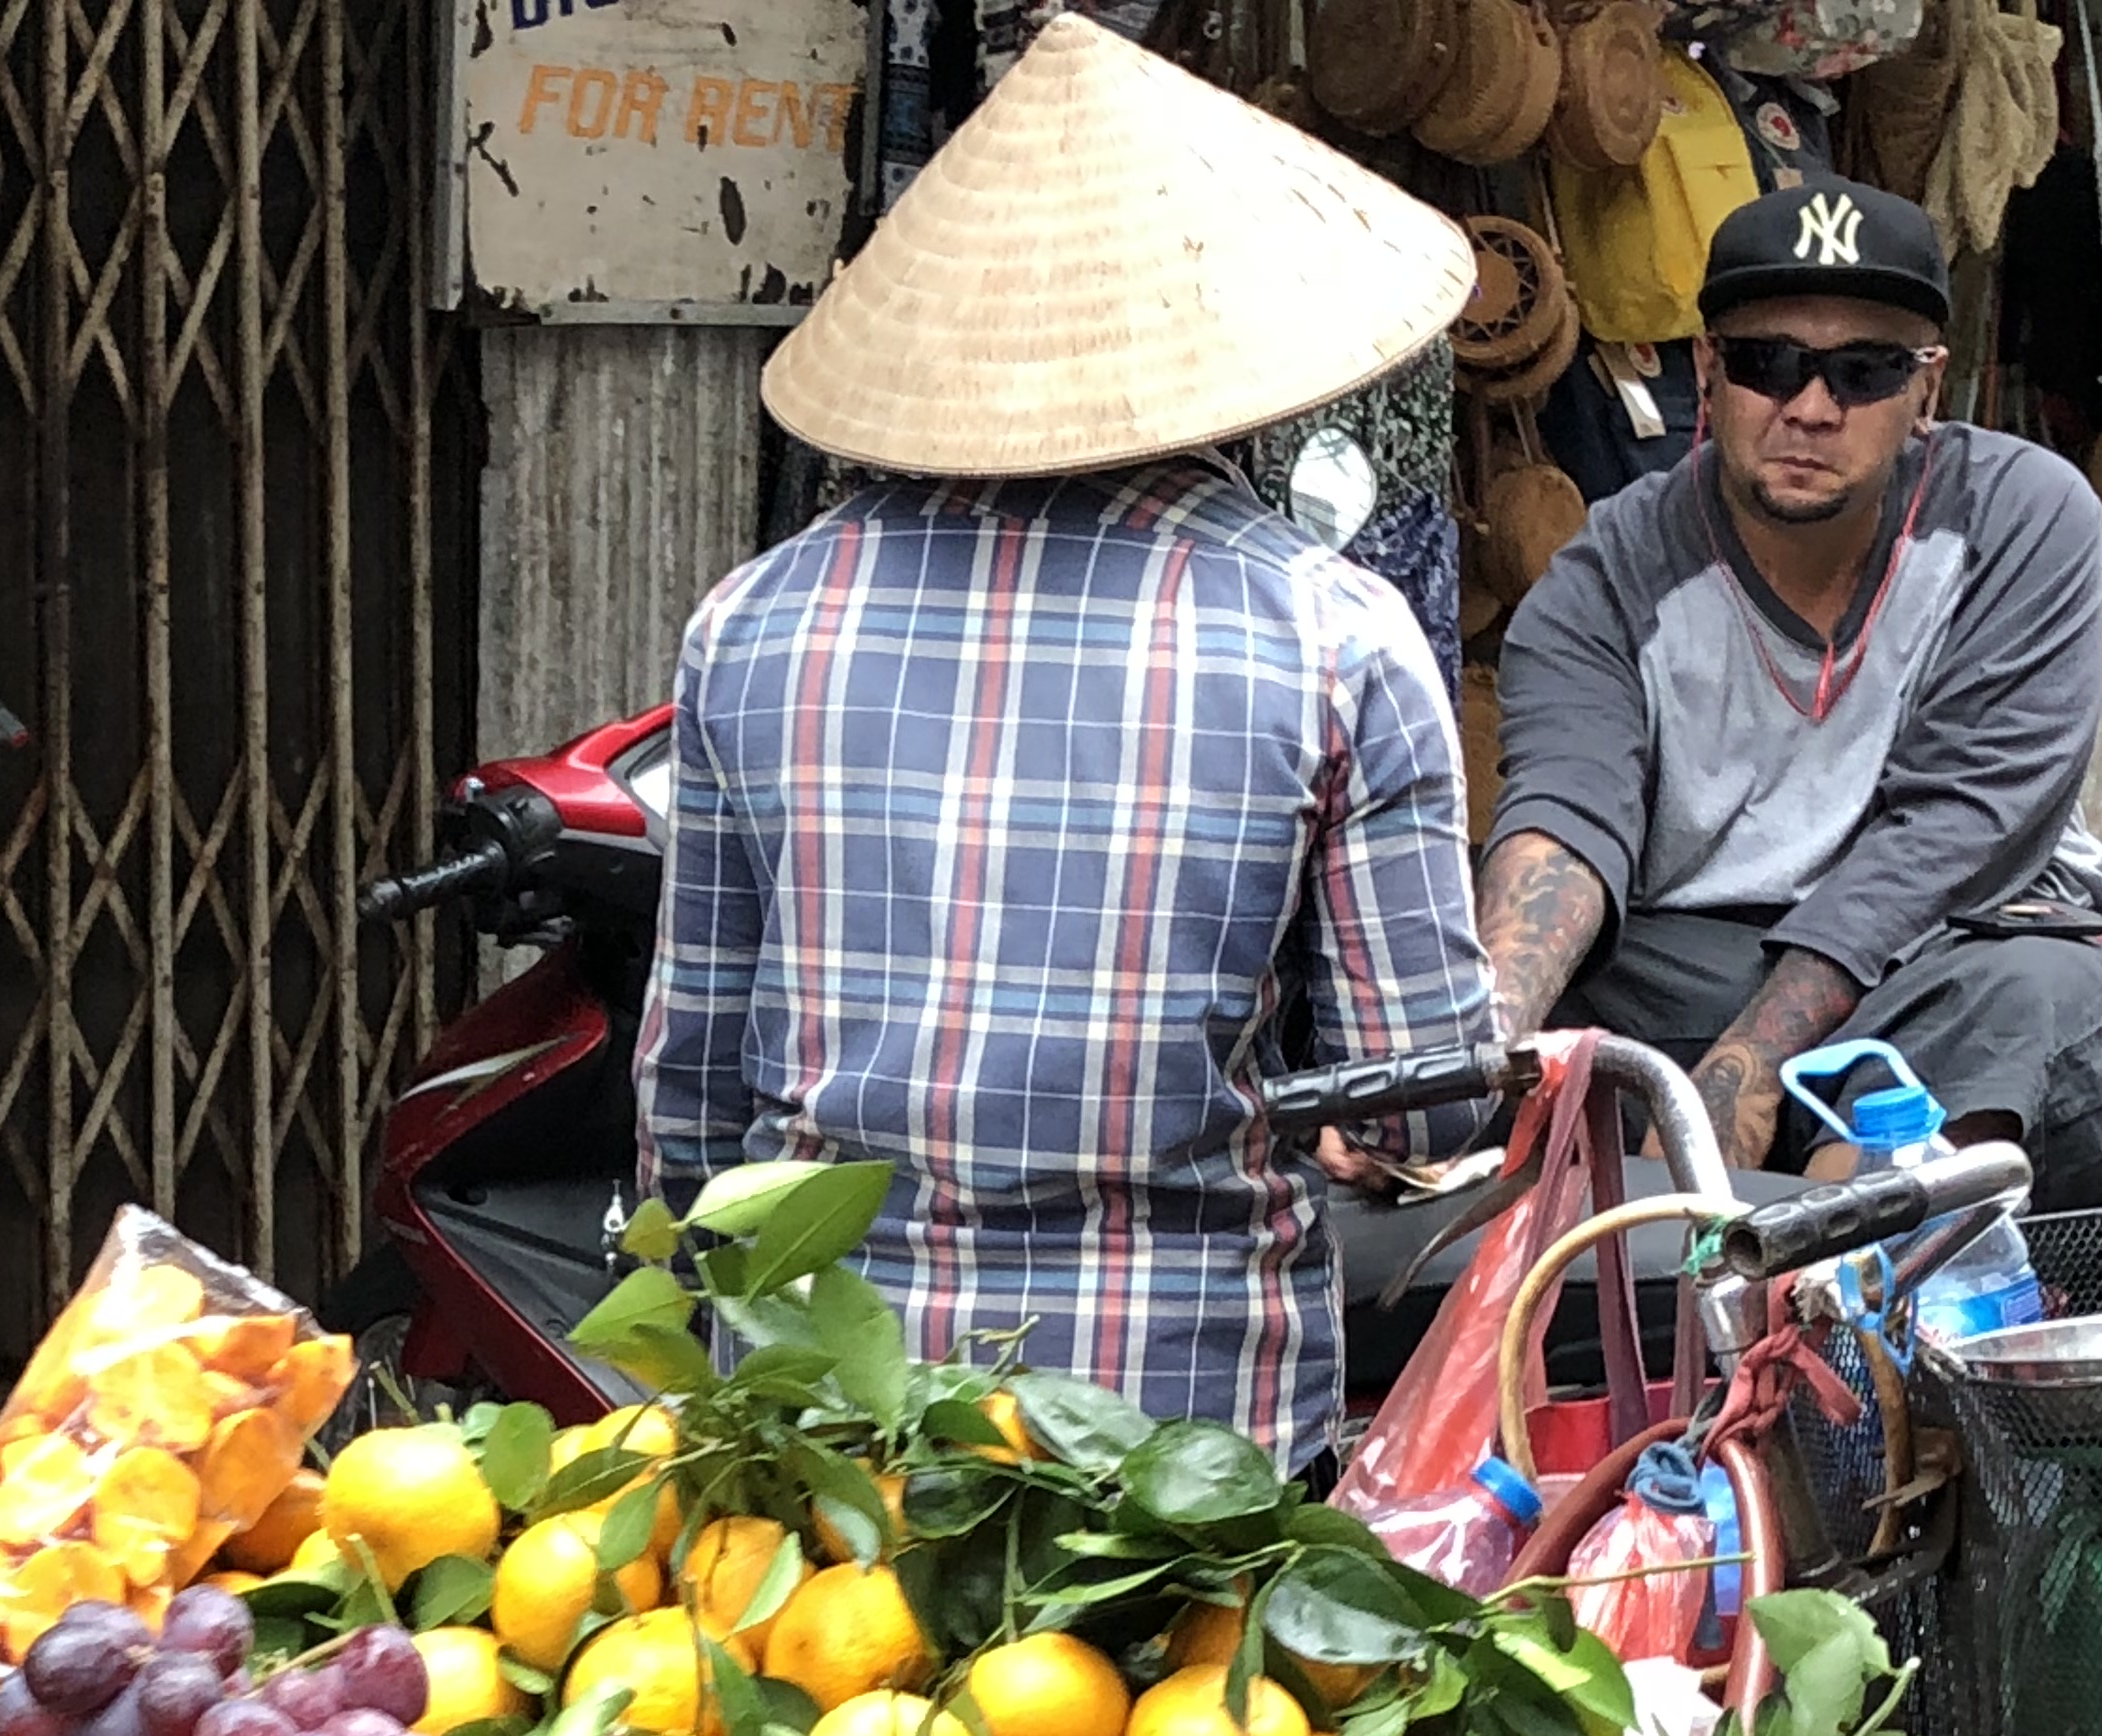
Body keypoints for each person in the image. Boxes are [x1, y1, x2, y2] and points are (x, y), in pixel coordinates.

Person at [635, 15, 1498, 1464]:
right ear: (1238, 348)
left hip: (825, 1435)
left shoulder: (758, 620)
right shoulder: (1336, 640)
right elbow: (1424, 1092)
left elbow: (690, 1098)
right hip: (1177, 1448)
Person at [1478, 175, 2102, 1201]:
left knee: (2029, 994)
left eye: (1865, 371)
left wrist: (1751, 1067)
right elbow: (1563, 816)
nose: (1811, 409)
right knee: (1548, 1005)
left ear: (1925, 395)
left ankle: (1854, 1311)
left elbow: (1954, 830)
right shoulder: (1607, 572)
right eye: (1770, 364)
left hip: (1963, 948)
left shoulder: (2022, 517)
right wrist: (1477, 1046)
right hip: (1710, 971)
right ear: (1708, 373)